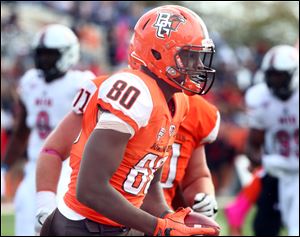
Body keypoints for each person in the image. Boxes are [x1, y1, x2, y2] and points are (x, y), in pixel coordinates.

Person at [38, 5, 219, 236]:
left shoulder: (178, 101)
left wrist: (167, 217)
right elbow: (90, 189)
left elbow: (150, 186)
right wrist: (159, 228)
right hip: (81, 225)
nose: (197, 66)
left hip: (114, 225)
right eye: (188, 56)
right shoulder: (135, 91)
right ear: (157, 54)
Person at [1, 24, 96, 236]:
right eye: (41, 55)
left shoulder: (82, 82)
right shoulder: (30, 81)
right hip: (34, 166)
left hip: (69, 168)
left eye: (50, 55)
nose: (43, 60)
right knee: (25, 226)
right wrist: (4, 168)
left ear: (68, 53)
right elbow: (21, 132)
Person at [231, 44, 299, 236]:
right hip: (276, 171)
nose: (276, 81)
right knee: (263, 228)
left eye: (281, 76)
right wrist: (260, 162)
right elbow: (253, 143)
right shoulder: (260, 97)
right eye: (272, 76)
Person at [161, 94, 220, 219]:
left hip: (162, 216)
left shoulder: (197, 110)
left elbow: (196, 176)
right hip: (116, 218)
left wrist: (203, 198)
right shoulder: (125, 93)